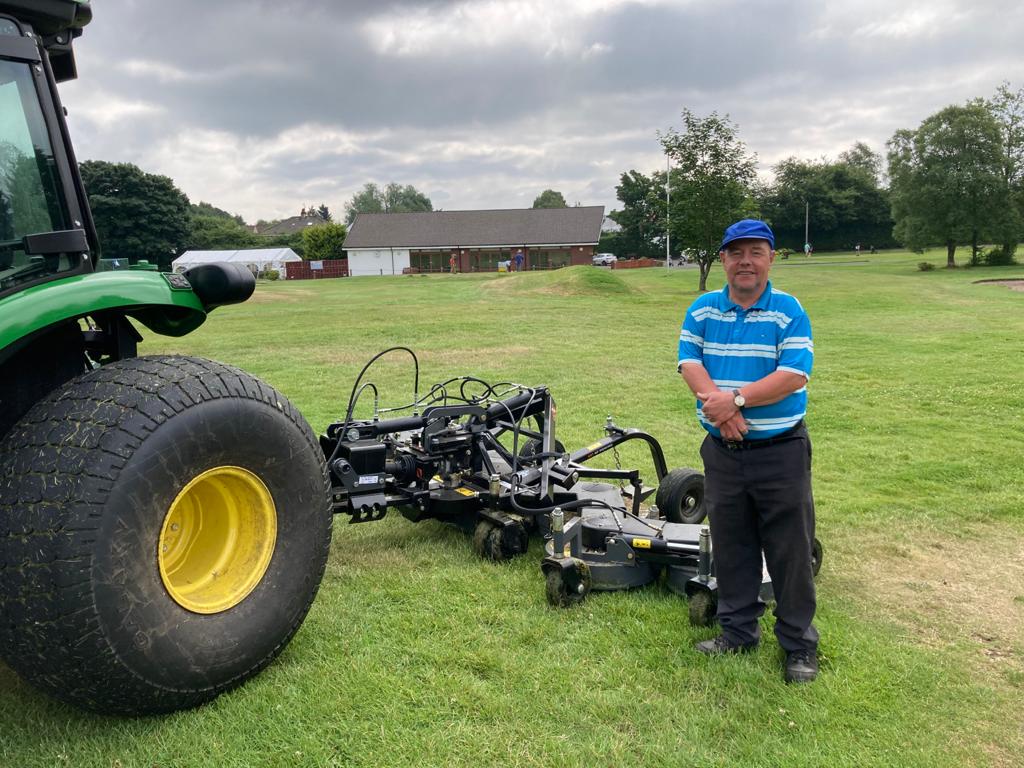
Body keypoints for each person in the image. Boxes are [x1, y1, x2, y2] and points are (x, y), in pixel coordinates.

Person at [677, 218, 818, 684]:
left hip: (780, 452)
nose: (745, 262)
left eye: (755, 252)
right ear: (723, 259)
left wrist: (733, 400)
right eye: (736, 253)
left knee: (790, 550)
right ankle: (737, 633)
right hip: (723, 452)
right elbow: (689, 361)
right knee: (733, 546)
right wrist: (721, 411)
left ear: (770, 258)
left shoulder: (788, 310)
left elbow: (794, 374)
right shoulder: (703, 309)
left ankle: (798, 645)